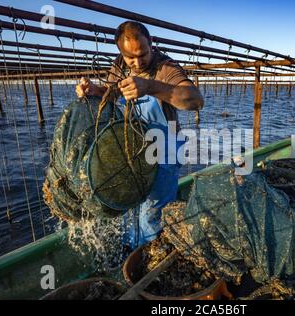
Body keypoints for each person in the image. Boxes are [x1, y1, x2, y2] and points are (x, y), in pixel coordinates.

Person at [76, 21, 203, 250]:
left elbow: (195, 100)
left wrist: (150, 87)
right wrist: (97, 91)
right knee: (131, 206)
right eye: (129, 57)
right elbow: (113, 94)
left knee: (153, 213)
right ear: (120, 52)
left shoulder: (165, 67)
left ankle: (154, 259)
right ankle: (134, 250)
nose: (137, 62)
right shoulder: (119, 66)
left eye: (142, 54)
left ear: (151, 44)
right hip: (134, 148)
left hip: (165, 148)